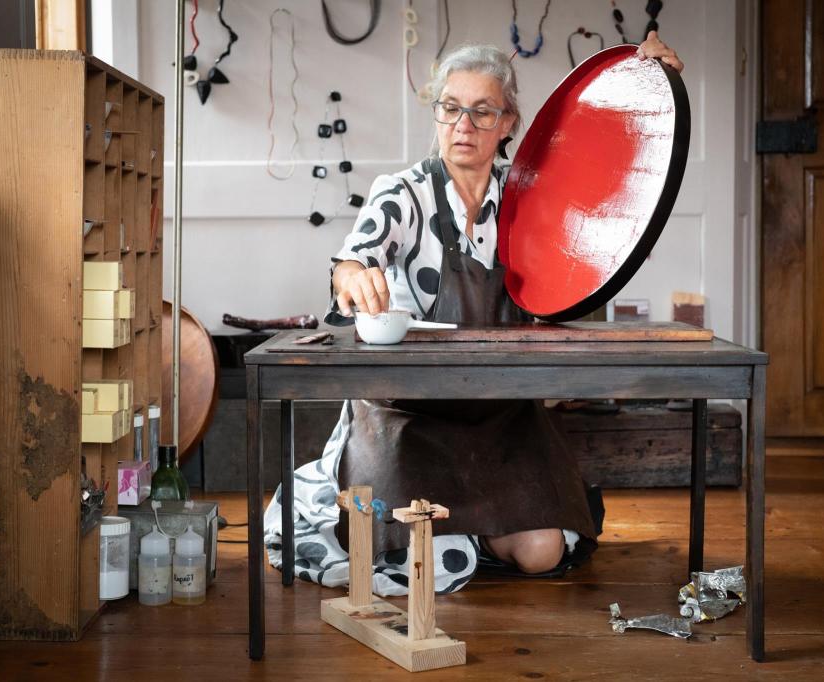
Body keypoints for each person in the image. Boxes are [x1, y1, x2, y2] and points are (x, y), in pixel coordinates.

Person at [264, 33, 684, 595]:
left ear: (508, 123)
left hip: (499, 412)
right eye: (451, 108)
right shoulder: (403, 194)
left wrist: (646, 86)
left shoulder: (530, 196)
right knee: (428, 559)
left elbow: (607, 191)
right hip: (408, 417)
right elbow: (354, 258)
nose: (463, 125)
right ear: (437, 115)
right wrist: (353, 274)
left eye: (482, 111)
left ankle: (473, 529)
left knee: (541, 554)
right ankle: (453, 532)